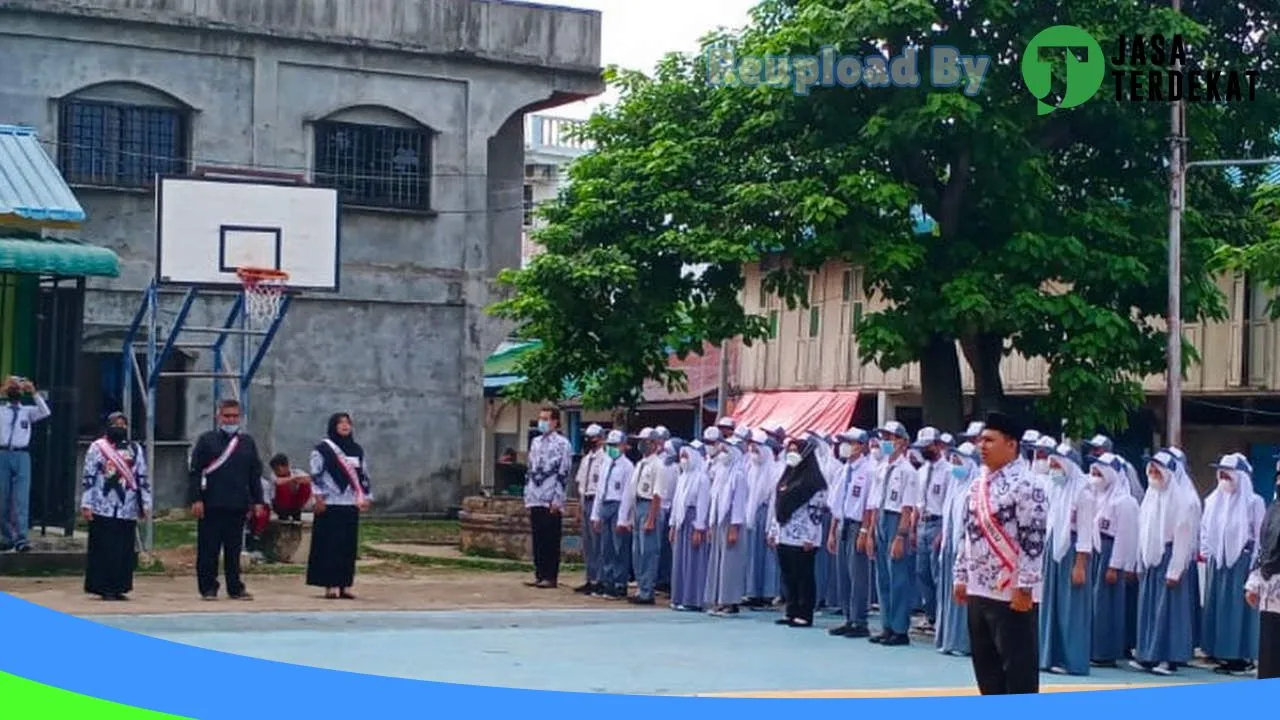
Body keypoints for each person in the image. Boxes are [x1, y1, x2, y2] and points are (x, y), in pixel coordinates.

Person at [952, 411, 1047, 695]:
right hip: (979, 587)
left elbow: (1034, 538)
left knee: (1017, 670)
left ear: (1011, 445)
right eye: (981, 440)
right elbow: (967, 532)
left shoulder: (1029, 485)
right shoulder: (976, 484)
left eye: (990, 440)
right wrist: (960, 575)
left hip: (1011, 591)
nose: (982, 446)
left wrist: (1026, 586)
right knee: (987, 669)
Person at [188, 398, 265, 601]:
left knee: (234, 550)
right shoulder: (207, 440)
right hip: (211, 503)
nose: (231, 420)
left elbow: (254, 474)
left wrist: (258, 501)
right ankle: (208, 588)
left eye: (234, 416)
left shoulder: (247, 442)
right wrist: (196, 498)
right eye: (227, 416)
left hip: (237, 503)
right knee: (209, 549)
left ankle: (235, 587)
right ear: (219, 417)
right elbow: (196, 471)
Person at [1131, 449, 1199, 676]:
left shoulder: (1181, 500)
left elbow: (1183, 537)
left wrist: (1175, 569)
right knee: (1150, 610)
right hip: (1151, 559)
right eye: (1150, 469)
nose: (1152, 473)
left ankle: (1170, 659)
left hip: (1169, 559)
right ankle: (1148, 656)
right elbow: (1144, 530)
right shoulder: (1152, 495)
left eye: (1157, 469)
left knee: (1169, 611)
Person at [1200, 453, 1264, 675]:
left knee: (1239, 611)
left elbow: (1258, 536)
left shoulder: (1254, 502)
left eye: (1228, 474)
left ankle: (1241, 657)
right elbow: (1206, 530)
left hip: (1242, 563)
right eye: (1221, 474)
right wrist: (1207, 554)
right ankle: (1221, 653)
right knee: (1218, 607)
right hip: (1218, 562)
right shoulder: (1213, 500)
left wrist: (1255, 566)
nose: (1223, 478)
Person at [1038, 442, 1096, 676]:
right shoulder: (1055, 489)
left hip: (1072, 552)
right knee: (1051, 603)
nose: (1053, 470)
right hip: (1053, 548)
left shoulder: (1083, 493)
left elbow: (1084, 532)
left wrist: (1080, 565)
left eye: (1057, 465)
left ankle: (1072, 660)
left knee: (1071, 608)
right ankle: (1049, 655)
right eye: (1051, 465)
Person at [80, 412, 151, 601]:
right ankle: (103, 587)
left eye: (123, 424)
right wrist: (86, 503)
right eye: (115, 424)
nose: (119, 427)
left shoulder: (135, 449)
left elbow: (142, 477)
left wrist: (145, 502)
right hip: (102, 505)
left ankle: (120, 586)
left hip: (126, 506)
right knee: (104, 548)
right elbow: (88, 476)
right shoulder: (97, 447)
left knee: (123, 549)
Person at [306, 412, 373, 600]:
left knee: (347, 546)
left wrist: (366, 496)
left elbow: (363, 475)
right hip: (329, 503)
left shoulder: (357, 450)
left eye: (348, 423)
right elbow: (315, 475)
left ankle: (345, 585)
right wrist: (317, 498)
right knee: (329, 545)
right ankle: (330, 585)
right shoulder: (322, 449)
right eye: (340, 423)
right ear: (333, 426)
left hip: (349, 503)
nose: (344, 426)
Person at [767, 437, 828, 628]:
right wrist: (774, 530)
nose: (792, 454)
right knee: (788, 574)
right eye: (790, 450)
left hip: (804, 536)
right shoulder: (787, 476)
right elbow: (777, 505)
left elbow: (817, 511)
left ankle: (805, 612)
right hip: (785, 533)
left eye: (796, 450)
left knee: (804, 575)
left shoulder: (815, 481)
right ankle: (791, 610)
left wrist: (811, 536)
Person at [868, 420, 918, 646]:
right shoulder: (881, 468)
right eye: (884, 438)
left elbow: (907, 507)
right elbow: (874, 501)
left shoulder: (908, 471)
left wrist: (901, 535)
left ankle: (900, 628)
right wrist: (869, 531)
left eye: (891, 438)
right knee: (883, 577)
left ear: (903, 442)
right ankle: (887, 624)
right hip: (880, 517)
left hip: (895, 518)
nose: (887, 442)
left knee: (898, 576)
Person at [1088, 453, 1141, 668]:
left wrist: (1115, 565)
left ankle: (1106, 652)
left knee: (1106, 606)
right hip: (1096, 550)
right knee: (1094, 605)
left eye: (1099, 473)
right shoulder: (1097, 497)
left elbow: (1125, 536)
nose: (1095, 477)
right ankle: (1093, 648)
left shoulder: (1125, 502)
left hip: (1110, 554)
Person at [829, 428, 874, 638]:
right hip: (842, 523)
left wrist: (865, 531)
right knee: (843, 573)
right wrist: (832, 531)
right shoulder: (844, 469)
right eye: (845, 441)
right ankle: (848, 617)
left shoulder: (868, 470)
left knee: (858, 574)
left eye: (851, 442)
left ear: (862, 445)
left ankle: (860, 620)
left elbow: (868, 505)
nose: (846, 445)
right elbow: (837, 502)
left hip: (857, 524)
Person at [522, 407, 573, 589]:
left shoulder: (562, 444)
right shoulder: (535, 442)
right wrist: (527, 495)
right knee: (538, 537)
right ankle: (539, 573)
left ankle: (550, 576)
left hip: (551, 497)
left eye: (545, 418)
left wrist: (557, 499)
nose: (542, 422)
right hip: (536, 495)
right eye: (540, 418)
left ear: (555, 422)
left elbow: (563, 472)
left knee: (550, 538)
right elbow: (530, 469)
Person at [936, 441, 979, 656]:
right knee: (948, 591)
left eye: (958, 461)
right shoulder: (955, 485)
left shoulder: (975, 487)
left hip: (966, 548)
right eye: (952, 460)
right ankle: (948, 638)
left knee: (963, 593)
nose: (954, 465)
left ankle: (963, 641)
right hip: (950, 545)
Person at [0, 376, 51, 553]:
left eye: (18, 386)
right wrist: (4, 389)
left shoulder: (27, 411)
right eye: (12, 386)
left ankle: (21, 538)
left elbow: (45, 412)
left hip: (22, 455)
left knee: (21, 498)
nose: (16, 389)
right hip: (3, 453)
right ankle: (6, 537)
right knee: (3, 497)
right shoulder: (1, 411)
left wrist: (33, 392)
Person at [703, 428, 749, 616]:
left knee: (731, 563)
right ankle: (720, 600)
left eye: (726, 451)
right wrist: (712, 523)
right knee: (719, 562)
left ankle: (731, 602)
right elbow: (715, 498)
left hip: (732, 522)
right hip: (720, 521)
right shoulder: (722, 472)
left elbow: (738, 503)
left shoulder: (738, 474)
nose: (722, 453)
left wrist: (734, 528)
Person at [619, 428, 665, 605]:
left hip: (649, 506)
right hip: (638, 505)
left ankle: (647, 591)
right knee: (637, 552)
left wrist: (651, 519)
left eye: (645, 441)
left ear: (653, 444)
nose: (641, 444)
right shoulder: (640, 464)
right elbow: (632, 492)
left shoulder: (657, 465)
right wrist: (629, 516)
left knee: (648, 551)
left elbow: (657, 494)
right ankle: (641, 586)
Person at [913, 426, 950, 633]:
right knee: (922, 572)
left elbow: (946, 504)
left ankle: (941, 617)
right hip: (922, 523)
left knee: (937, 573)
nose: (925, 451)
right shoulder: (922, 471)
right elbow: (919, 502)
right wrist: (913, 527)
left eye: (928, 447)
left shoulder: (948, 471)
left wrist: (943, 531)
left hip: (937, 522)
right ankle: (931, 616)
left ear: (938, 446)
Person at [590, 429, 634, 600]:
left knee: (619, 546)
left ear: (624, 446)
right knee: (606, 547)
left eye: (615, 445)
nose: (612, 448)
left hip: (618, 505)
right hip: (605, 504)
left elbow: (627, 495)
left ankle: (619, 582)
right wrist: (596, 514)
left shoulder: (628, 466)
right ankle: (607, 580)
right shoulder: (606, 463)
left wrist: (623, 518)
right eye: (610, 445)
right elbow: (600, 490)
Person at [1244, 473, 1280, 680]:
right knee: (1270, 652)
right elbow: (1265, 547)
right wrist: (1254, 582)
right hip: (1272, 591)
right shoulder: (1274, 509)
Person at [669, 441, 711, 611]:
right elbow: (676, 502)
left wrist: (699, 527)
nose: (683, 460)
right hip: (681, 520)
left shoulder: (702, 478)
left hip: (694, 521)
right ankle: (679, 597)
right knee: (680, 560)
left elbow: (703, 504)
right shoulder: (682, 477)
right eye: (682, 457)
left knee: (694, 561)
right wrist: (672, 525)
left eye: (686, 456)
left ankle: (694, 599)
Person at [744, 429, 782, 609]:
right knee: (752, 555)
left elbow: (773, 499)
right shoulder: (751, 469)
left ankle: (767, 593)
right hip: (752, 516)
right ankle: (752, 592)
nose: (754, 453)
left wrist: (771, 525)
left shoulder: (773, 470)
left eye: (757, 449)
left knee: (766, 556)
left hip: (766, 515)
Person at [573, 424, 605, 595]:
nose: (589, 441)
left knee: (597, 541)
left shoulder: (604, 459)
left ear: (601, 439)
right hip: (585, 500)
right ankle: (590, 577)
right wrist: (579, 507)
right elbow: (580, 485)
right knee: (587, 543)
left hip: (596, 501)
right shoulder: (586, 459)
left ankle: (599, 579)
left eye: (593, 437)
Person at [267, 454, 312, 521]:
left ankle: (296, 510)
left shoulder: (296, 472)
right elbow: (278, 482)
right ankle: (284, 513)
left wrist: (299, 480)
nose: (276, 471)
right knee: (282, 485)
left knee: (305, 485)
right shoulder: (273, 475)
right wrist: (292, 479)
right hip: (280, 506)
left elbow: (309, 479)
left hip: (295, 504)